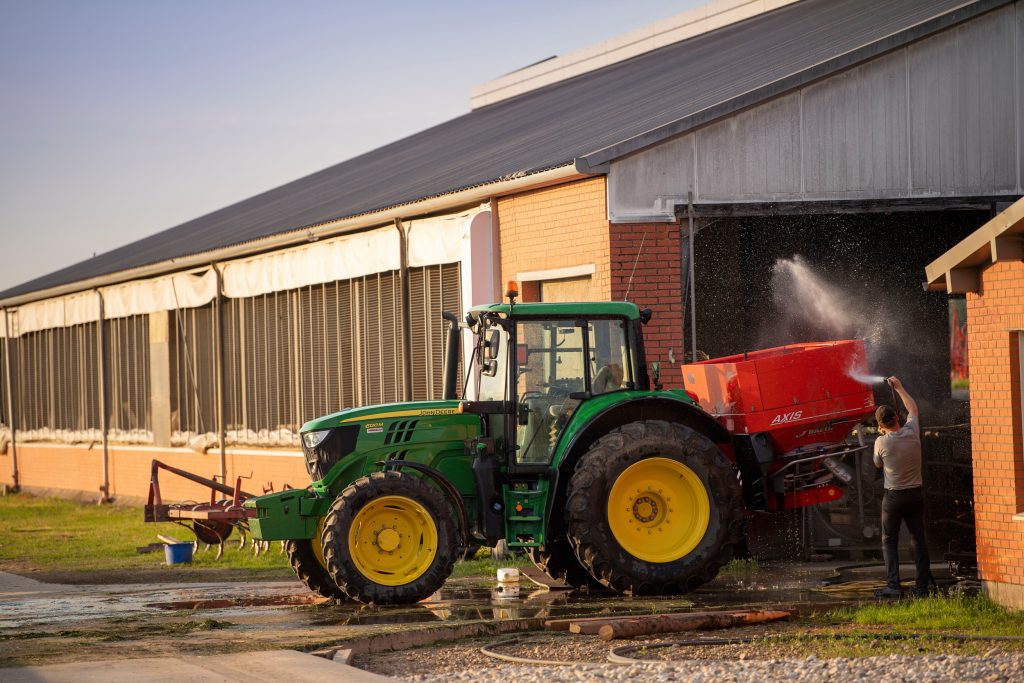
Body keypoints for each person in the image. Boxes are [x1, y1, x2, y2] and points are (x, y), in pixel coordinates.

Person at [872, 376, 933, 598]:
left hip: (894, 498)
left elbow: (877, 464)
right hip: (916, 494)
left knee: (889, 540)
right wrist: (899, 388)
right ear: (897, 416)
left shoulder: (881, 442)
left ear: (880, 425)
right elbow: (913, 408)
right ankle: (922, 587)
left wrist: (884, 437)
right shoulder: (912, 431)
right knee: (919, 539)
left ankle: (893, 586)